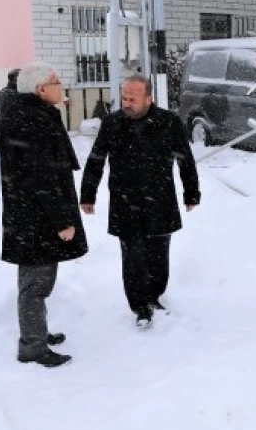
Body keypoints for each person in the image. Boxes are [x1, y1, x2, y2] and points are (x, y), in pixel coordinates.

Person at [80, 75, 200, 329]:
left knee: (158, 255)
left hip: (160, 199)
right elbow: (96, 159)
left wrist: (191, 193)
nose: (127, 103)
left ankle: (154, 296)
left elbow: (185, 159)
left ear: (149, 98)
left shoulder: (168, 122)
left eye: (133, 99)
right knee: (133, 257)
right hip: (125, 201)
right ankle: (139, 306)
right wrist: (88, 194)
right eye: (124, 98)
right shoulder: (112, 123)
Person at [0, 62, 87, 368]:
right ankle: (32, 347)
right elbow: (41, 178)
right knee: (36, 285)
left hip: (31, 214)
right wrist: (62, 221)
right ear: (40, 89)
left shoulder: (31, 114)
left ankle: (37, 333)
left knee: (34, 281)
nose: (60, 85)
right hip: (37, 217)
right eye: (55, 81)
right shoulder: (31, 120)